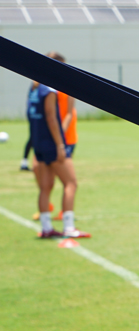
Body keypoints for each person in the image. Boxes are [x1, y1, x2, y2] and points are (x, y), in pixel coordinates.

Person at [28, 53, 89, 239]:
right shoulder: (49, 89)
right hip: (53, 143)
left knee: (45, 186)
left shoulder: (34, 87)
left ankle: (46, 228)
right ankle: (69, 227)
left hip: (40, 142)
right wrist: (60, 144)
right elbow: (51, 117)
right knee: (71, 183)